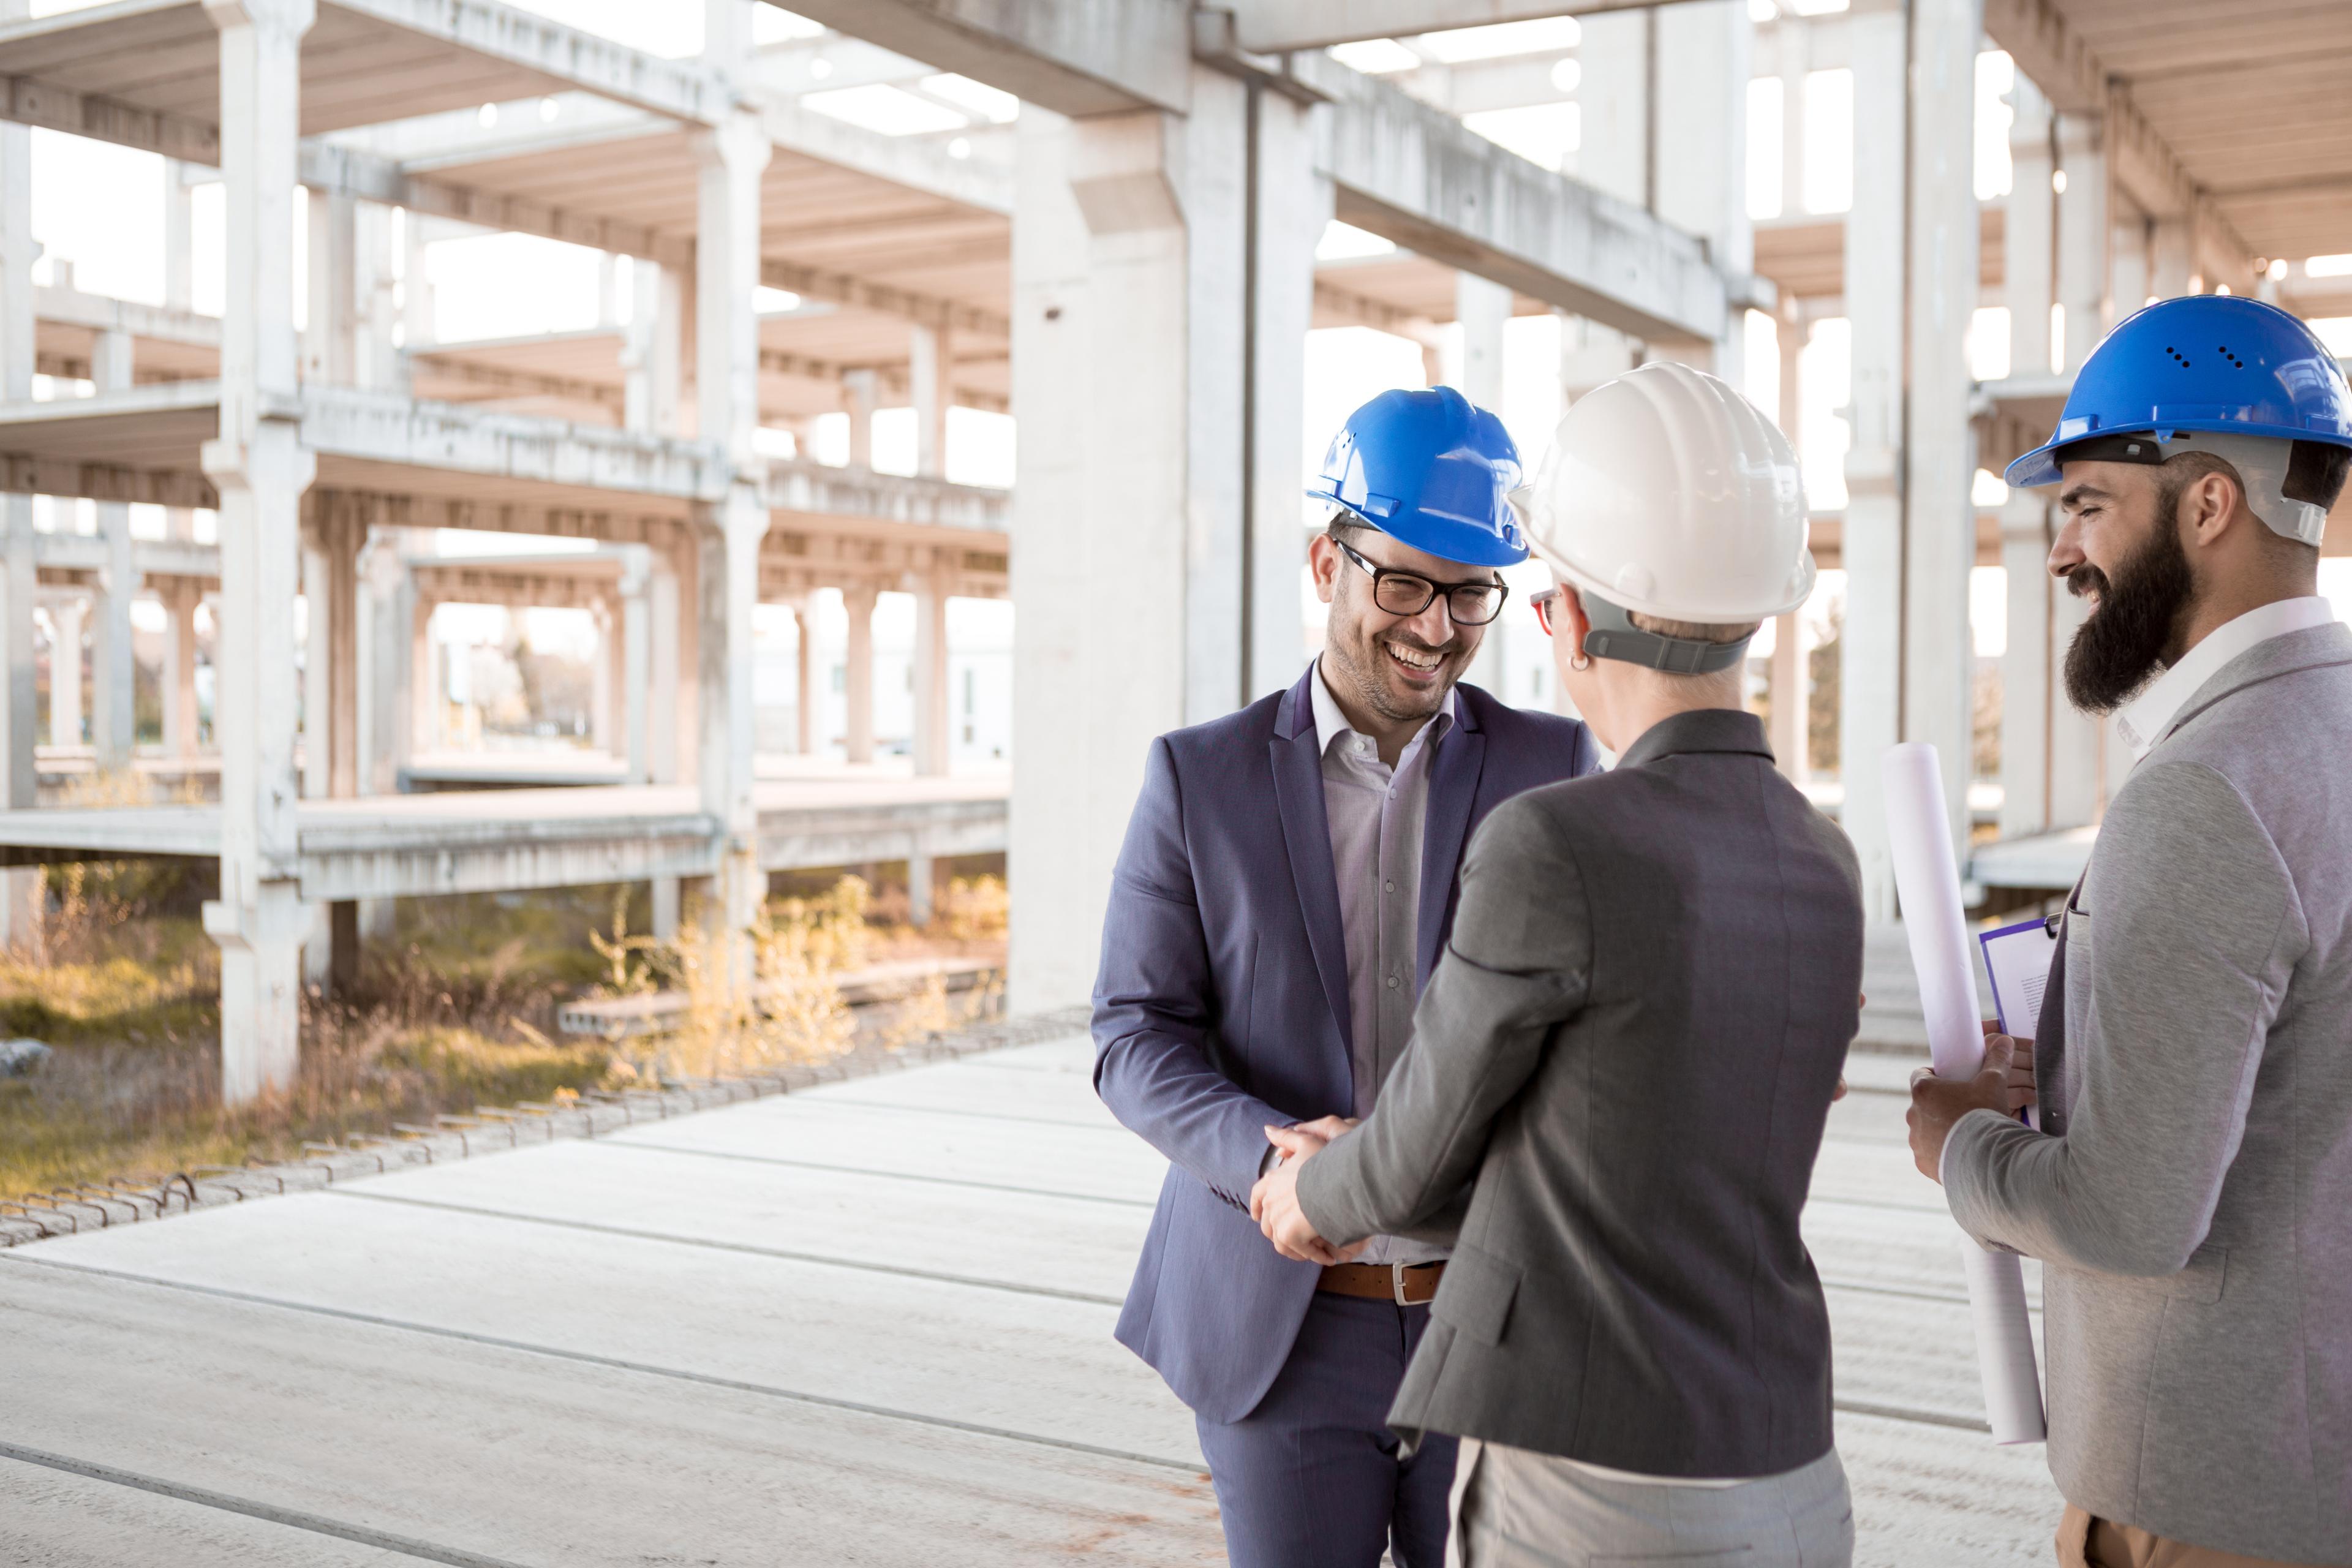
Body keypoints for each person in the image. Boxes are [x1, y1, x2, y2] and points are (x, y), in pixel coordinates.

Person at [1254, 361, 1862, 1567]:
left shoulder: (1560, 841)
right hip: (1791, 1466)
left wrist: (1309, 1192)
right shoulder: (1821, 855)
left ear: (1569, 615)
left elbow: (1427, 1134)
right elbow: (1610, 1144)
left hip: (1603, 1476)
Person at [1091, 385, 1599, 1568]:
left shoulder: (1552, 766)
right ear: (1329, 562)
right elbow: (1134, 1034)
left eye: (1473, 592)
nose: (1439, 627)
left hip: (1496, 1317)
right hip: (1282, 1327)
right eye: (1406, 582)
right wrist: (1275, 1160)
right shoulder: (1197, 779)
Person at [1909, 295, 2352, 1568]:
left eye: (2088, 502)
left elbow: (2134, 1216)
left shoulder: (2204, 793)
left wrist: (1963, 1145)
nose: (2062, 553)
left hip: (2209, 1505)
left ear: (2207, 504)